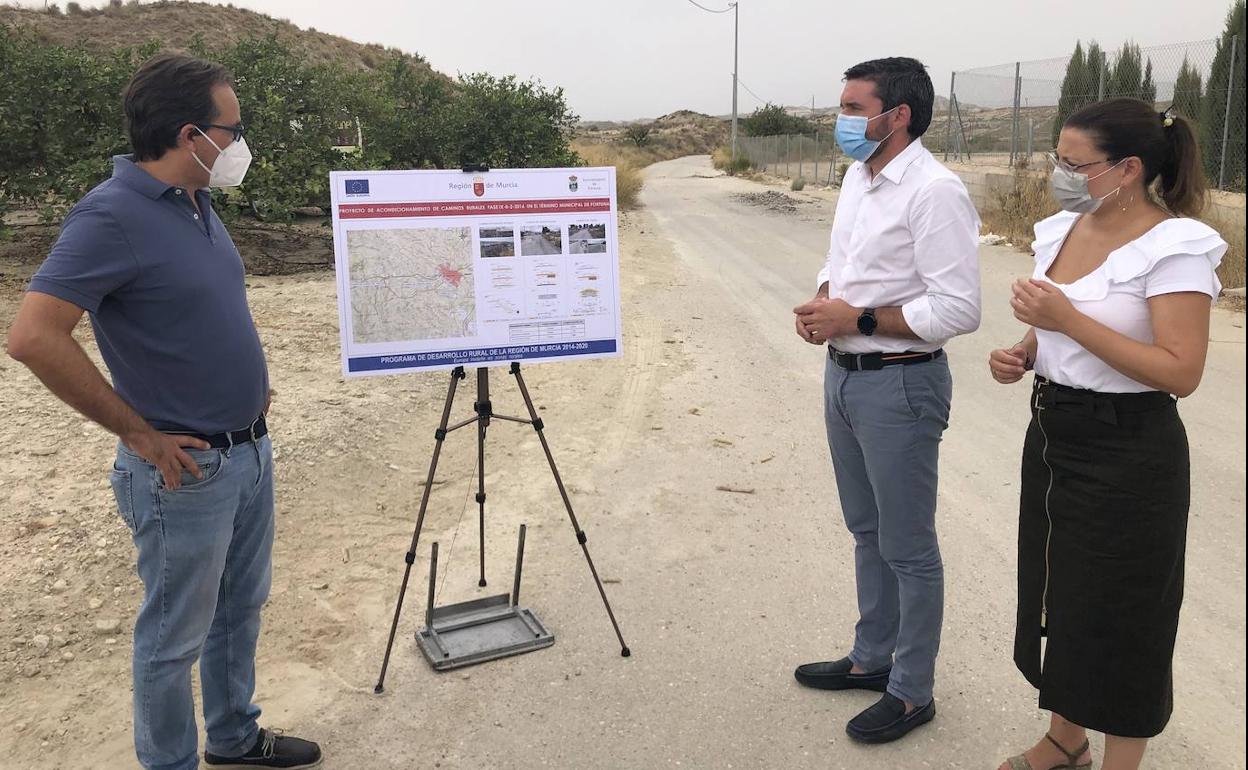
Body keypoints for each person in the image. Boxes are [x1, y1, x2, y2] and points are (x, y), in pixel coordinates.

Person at [6, 53, 322, 770]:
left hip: (247, 450)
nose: (241, 142)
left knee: (239, 611)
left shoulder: (195, 201)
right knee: (172, 639)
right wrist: (139, 434)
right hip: (185, 471)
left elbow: (198, 314)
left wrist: (247, 387)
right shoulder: (110, 216)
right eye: (232, 128)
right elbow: (32, 337)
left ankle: (236, 739)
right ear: (190, 134)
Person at [989, 99, 1226, 770]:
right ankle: (1067, 740)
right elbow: (1057, 325)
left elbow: (1182, 372)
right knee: (1060, 594)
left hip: (1130, 451)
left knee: (1126, 617)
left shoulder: (1174, 245)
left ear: (1126, 169)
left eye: (1073, 162)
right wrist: (1025, 351)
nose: (1059, 173)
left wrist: (1065, 322)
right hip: (1054, 434)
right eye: (1056, 158)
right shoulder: (1063, 229)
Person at [791, 57, 981, 744]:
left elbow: (958, 308)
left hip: (901, 380)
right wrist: (823, 300)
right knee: (866, 531)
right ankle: (872, 658)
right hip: (844, 377)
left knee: (907, 545)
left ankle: (910, 690)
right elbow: (845, 262)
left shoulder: (935, 192)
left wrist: (860, 319)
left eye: (851, 107)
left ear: (896, 115)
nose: (841, 120)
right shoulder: (858, 176)